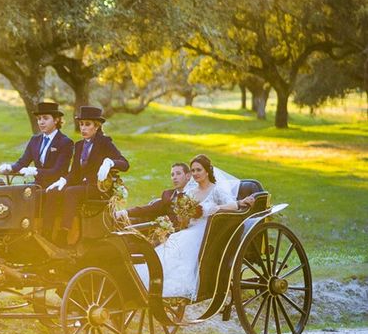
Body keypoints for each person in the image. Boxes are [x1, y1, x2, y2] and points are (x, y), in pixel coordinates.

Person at [135, 154, 256, 299]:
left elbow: (232, 205)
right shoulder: (191, 193)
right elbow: (183, 220)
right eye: (193, 171)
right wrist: (185, 215)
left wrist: (214, 209)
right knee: (173, 242)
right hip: (190, 229)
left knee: (184, 244)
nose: (195, 174)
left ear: (207, 171)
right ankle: (150, 279)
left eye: (198, 170)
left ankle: (176, 285)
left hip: (209, 230)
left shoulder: (216, 190)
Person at [43, 106, 129, 246]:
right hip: (83, 186)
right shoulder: (79, 145)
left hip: (98, 188)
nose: (83, 128)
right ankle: (45, 233)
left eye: (87, 124)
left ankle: (64, 235)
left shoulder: (104, 142)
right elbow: (75, 172)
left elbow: (125, 164)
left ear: (96, 126)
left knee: (71, 192)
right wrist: (63, 181)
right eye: (81, 124)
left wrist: (110, 162)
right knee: (52, 192)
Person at [0, 101, 73, 190]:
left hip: (56, 187)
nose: (41, 122)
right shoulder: (35, 140)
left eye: (45, 118)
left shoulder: (65, 142)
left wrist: (35, 171)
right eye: (39, 118)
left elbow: (58, 171)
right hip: (37, 185)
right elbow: (23, 162)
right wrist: (10, 168)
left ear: (56, 120)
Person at [117, 162, 192, 227]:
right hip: (159, 227)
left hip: (180, 232)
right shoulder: (168, 194)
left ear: (188, 176)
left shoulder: (193, 195)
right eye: (172, 175)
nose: (174, 177)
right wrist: (125, 212)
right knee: (123, 223)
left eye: (178, 174)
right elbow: (151, 208)